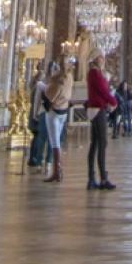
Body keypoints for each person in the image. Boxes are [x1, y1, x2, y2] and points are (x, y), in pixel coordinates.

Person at [40, 53, 77, 186]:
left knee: (54, 143)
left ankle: (57, 171)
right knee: (56, 142)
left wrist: (43, 87)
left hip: (54, 112)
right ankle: (57, 170)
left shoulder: (58, 79)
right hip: (64, 111)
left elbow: (50, 96)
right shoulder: (70, 77)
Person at [86, 53, 118, 191]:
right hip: (98, 110)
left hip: (96, 108)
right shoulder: (94, 73)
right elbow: (103, 91)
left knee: (95, 144)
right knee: (102, 143)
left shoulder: (97, 73)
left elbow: (103, 90)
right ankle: (102, 179)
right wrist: (114, 101)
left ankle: (92, 178)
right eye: (100, 57)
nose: (103, 59)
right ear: (94, 59)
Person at [28, 60, 54, 169]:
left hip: (38, 114)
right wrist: (35, 114)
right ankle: (37, 159)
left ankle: (35, 159)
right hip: (41, 114)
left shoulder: (38, 86)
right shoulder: (40, 86)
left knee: (38, 137)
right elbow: (36, 102)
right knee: (40, 138)